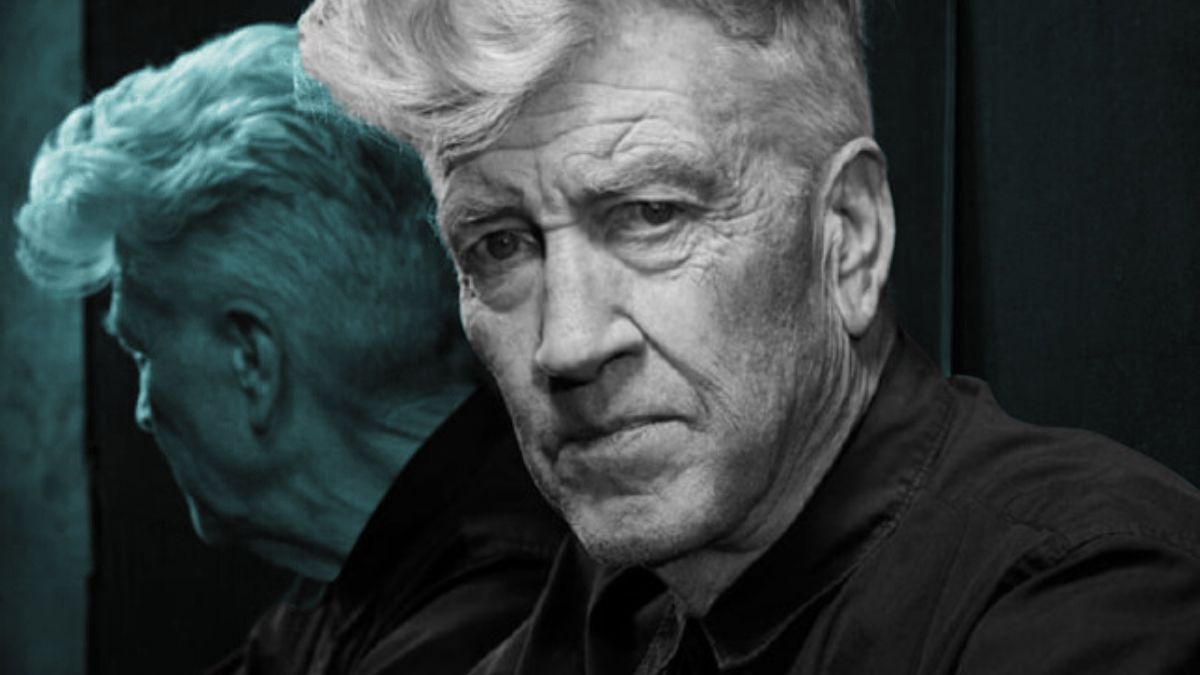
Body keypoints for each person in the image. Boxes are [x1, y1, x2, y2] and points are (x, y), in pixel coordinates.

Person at [298, 1, 1200, 673]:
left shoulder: (1095, 598)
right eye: (498, 246)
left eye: (652, 213)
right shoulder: (598, 613)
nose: (567, 344)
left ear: (849, 236)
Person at [14, 22, 563, 674]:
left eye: (142, 351)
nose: (142, 411)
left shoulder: (483, 635)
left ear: (253, 361)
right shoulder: (353, 590)